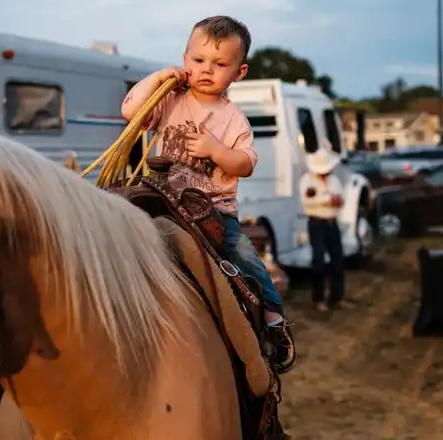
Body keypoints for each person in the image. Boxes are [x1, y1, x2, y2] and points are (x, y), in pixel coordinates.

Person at [121, 15, 295, 374]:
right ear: (185, 60)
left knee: (243, 254)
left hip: (211, 211)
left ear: (239, 72)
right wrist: (159, 78)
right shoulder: (168, 100)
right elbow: (130, 111)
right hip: (161, 200)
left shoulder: (234, 120)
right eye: (198, 61)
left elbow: (244, 164)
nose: (206, 70)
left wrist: (215, 150)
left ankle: (273, 317)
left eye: (220, 64)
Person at [299, 147, 352, 312]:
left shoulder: (334, 180)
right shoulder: (307, 180)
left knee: (337, 260)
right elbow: (307, 201)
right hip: (317, 223)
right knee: (319, 261)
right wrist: (329, 199)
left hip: (331, 222)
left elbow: (341, 199)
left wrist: (337, 201)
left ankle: (337, 296)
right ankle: (318, 299)